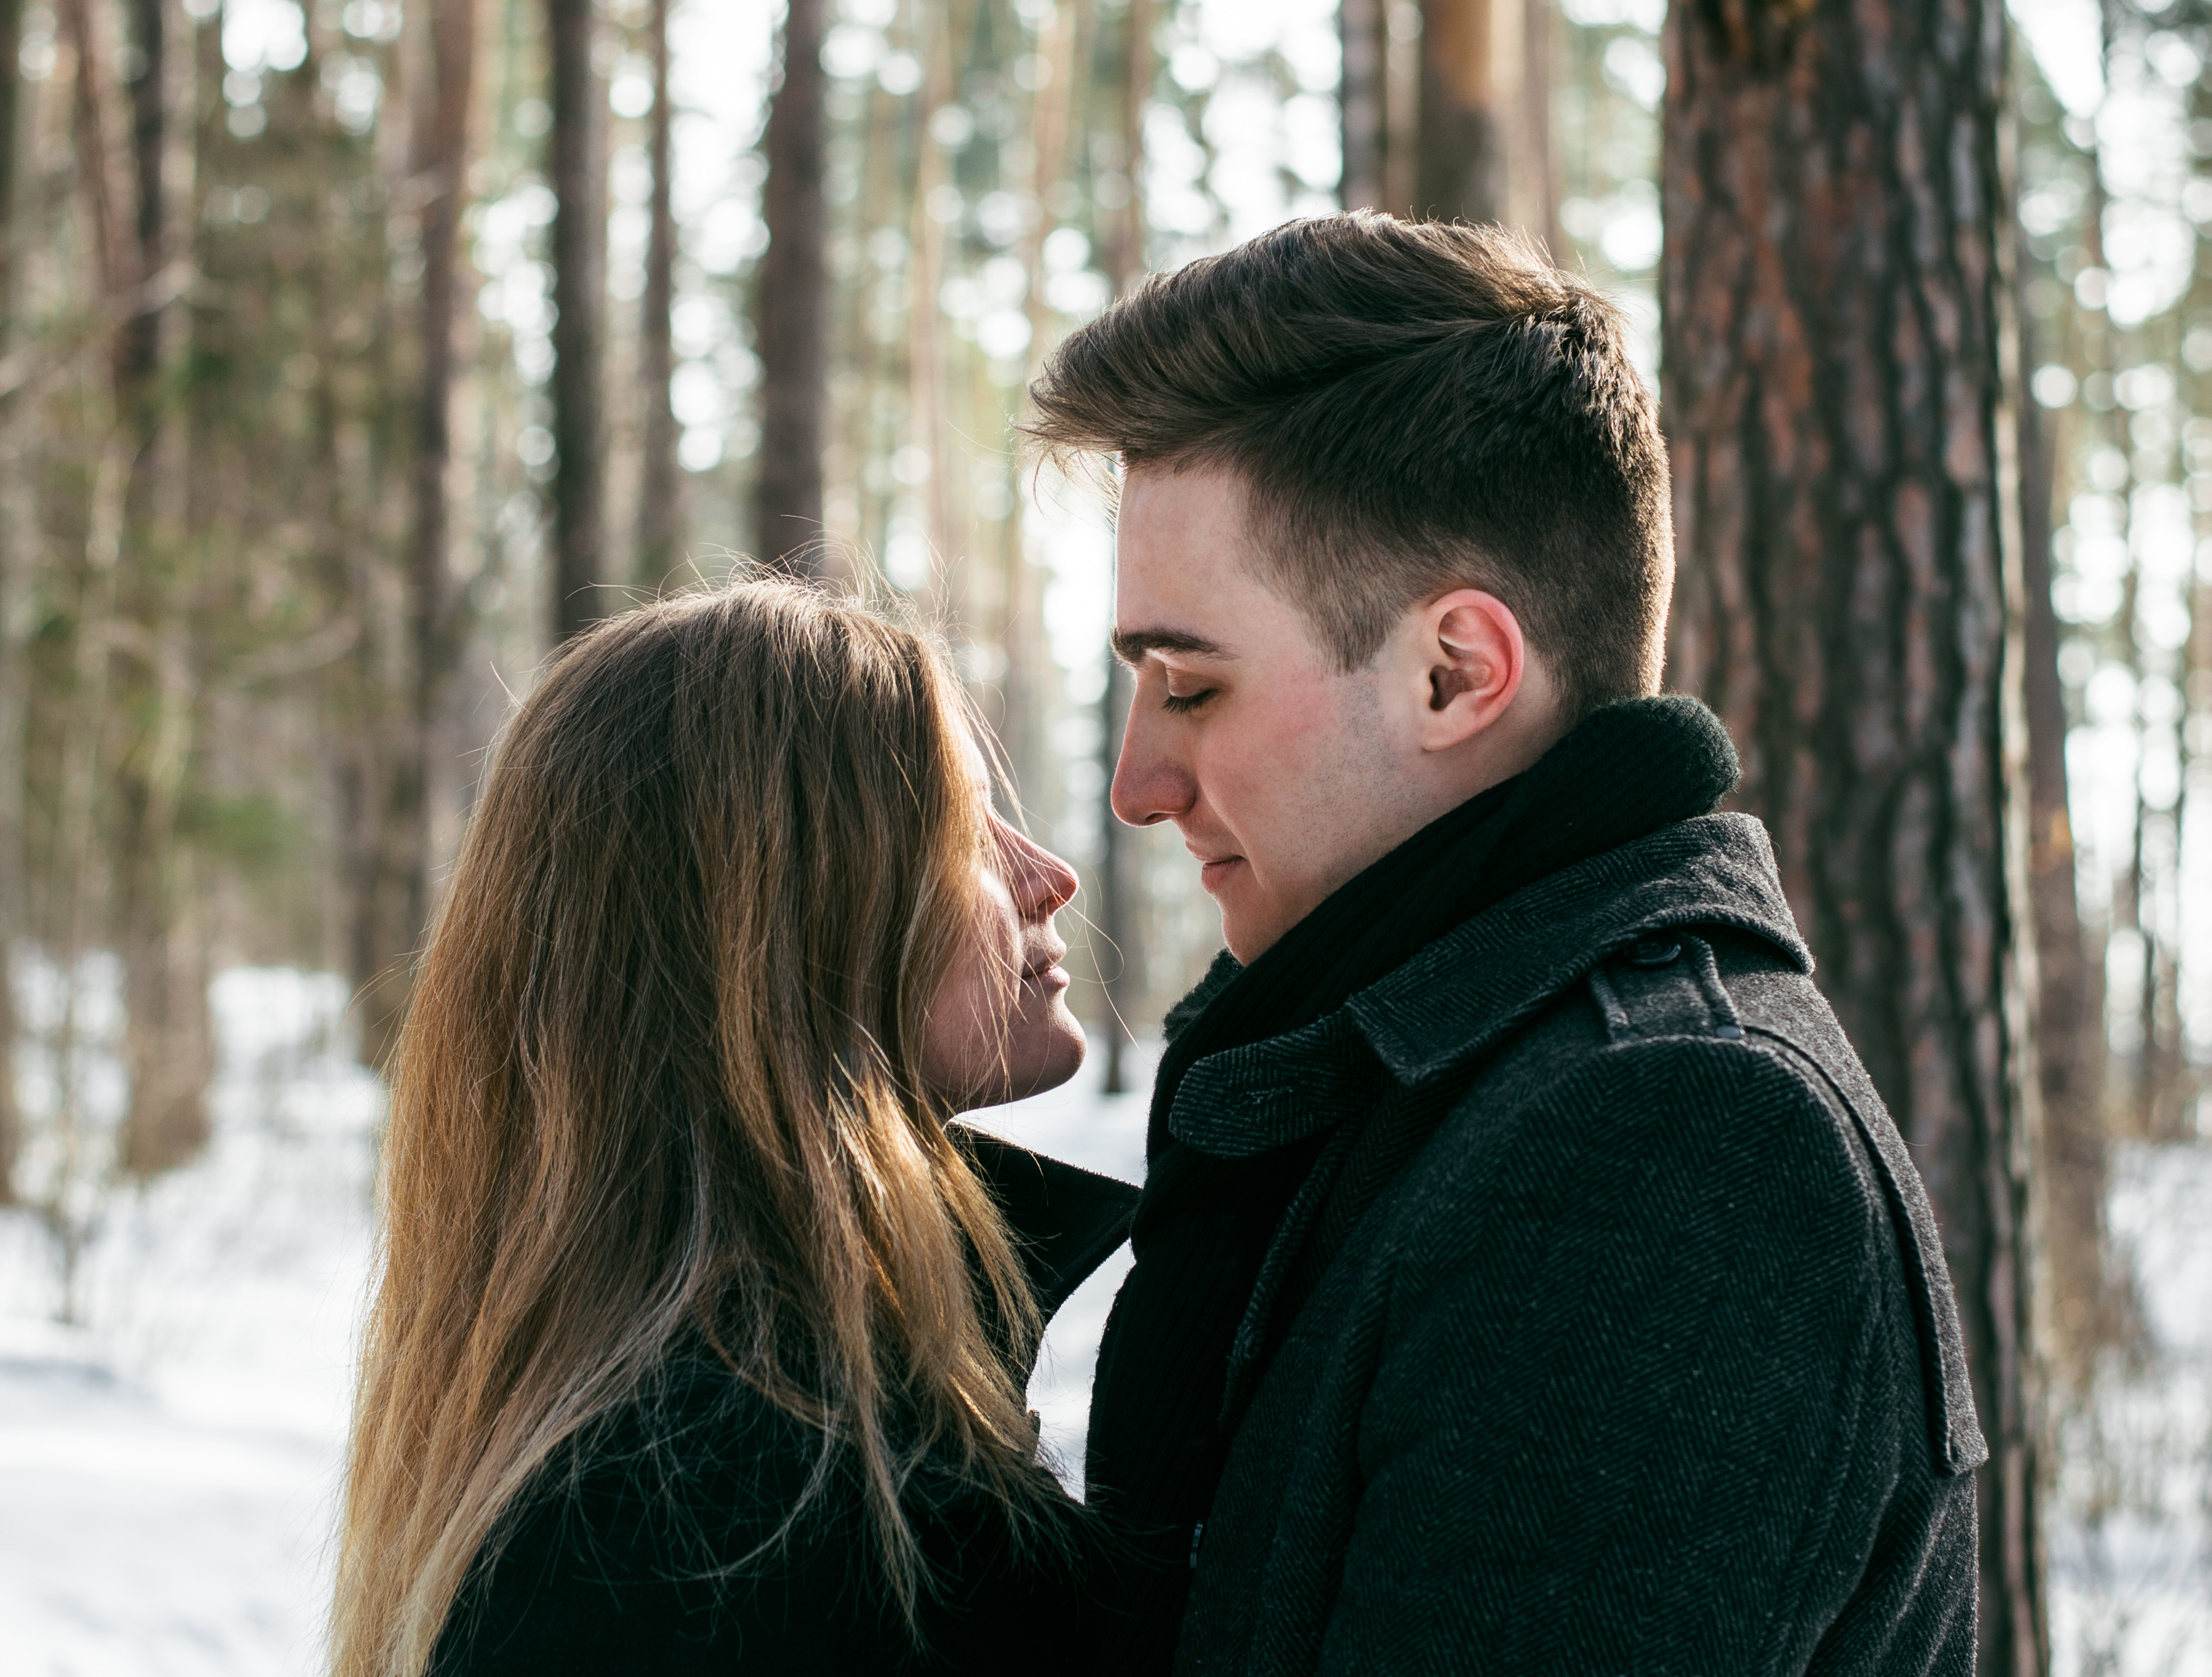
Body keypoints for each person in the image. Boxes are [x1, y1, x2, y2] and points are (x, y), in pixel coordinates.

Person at [1024, 214, 1984, 1675]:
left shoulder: (1669, 1146)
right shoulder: (1429, 1087)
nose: (1137, 787)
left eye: (1192, 687)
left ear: (1455, 671)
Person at [327, 582, 1138, 1677]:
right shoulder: (748, 1530)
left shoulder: (723, 1457)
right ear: (787, 923)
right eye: (963, 828)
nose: (1048, 877)